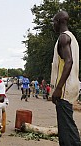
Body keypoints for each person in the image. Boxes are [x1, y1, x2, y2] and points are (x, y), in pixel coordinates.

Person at [51, 11, 81, 146]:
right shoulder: (72, 38)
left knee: (67, 129)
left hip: (64, 89)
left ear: (59, 22)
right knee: (65, 128)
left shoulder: (64, 38)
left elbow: (69, 62)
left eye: (54, 22)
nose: (53, 25)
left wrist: (58, 88)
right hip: (71, 87)